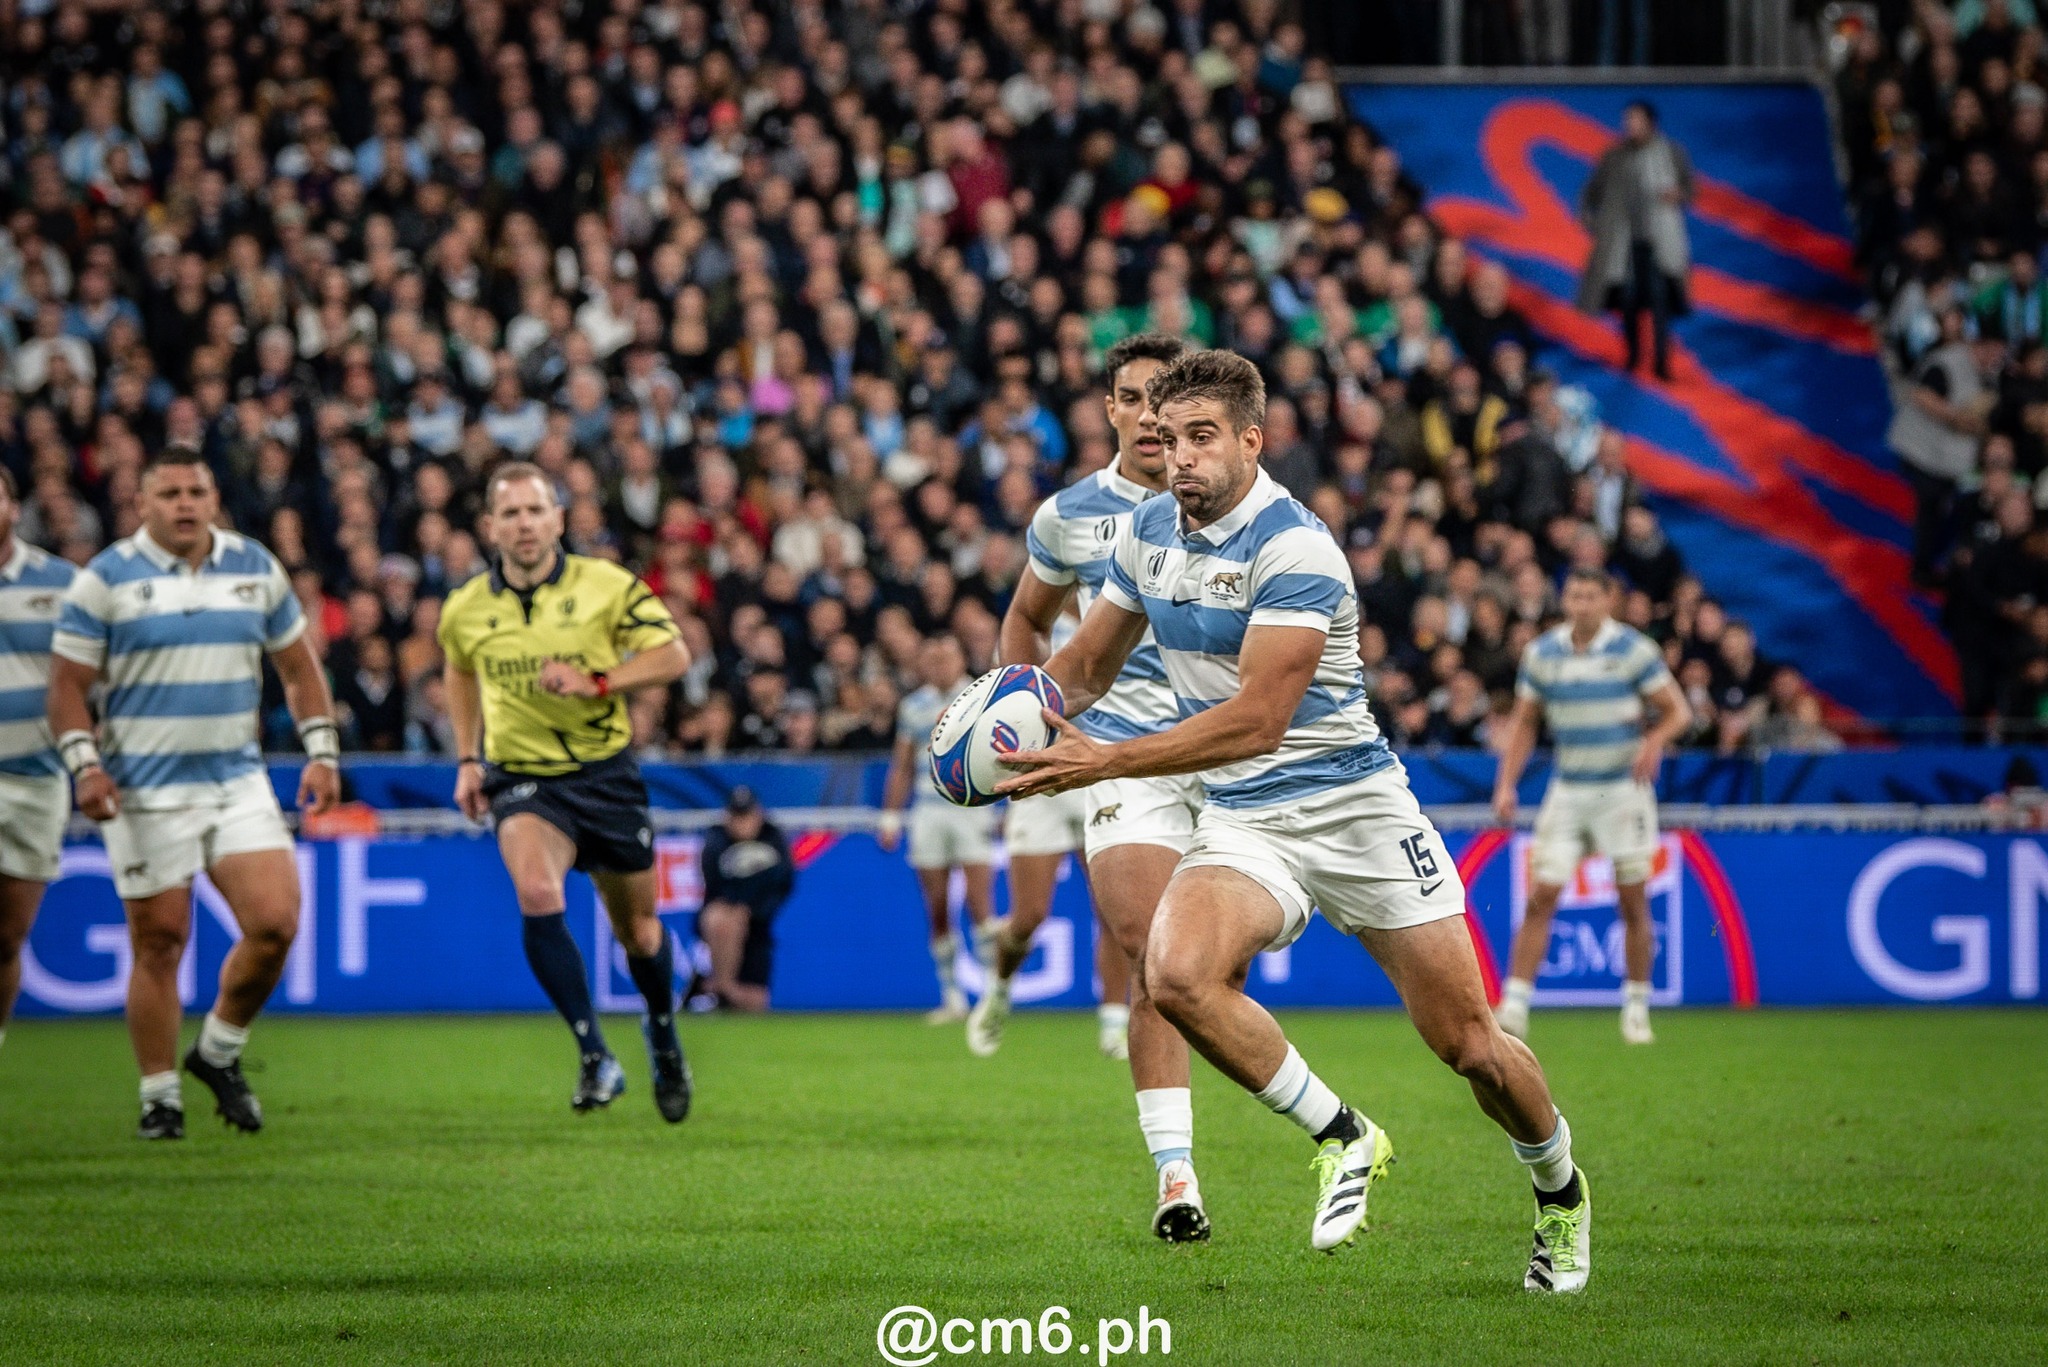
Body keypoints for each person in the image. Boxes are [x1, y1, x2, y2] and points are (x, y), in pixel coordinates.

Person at [1000, 350, 1592, 1292]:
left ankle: (1559, 1193)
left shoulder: (1296, 548)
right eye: (1169, 435)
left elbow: (1256, 719)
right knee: (1175, 973)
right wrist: (1007, 725)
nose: (1179, 455)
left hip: (1356, 812)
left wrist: (1103, 757)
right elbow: (1086, 665)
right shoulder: (1145, 530)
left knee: (1469, 1045)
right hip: (1248, 818)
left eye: (1203, 438)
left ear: (1251, 440)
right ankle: (1345, 1133)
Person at [973, 332, 1217, 1242]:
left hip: (1227, 756)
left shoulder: (1235, 508)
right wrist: (1020, 728)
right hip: (1111, 752)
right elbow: (1027, 620)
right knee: (1150, 949)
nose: (1152, 413)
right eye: (1133, 397)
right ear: (1110, 410)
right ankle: (1176, 1175)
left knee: (1202, 968)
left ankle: (1331, 1122)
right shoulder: (1068, 515)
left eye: (1167, 394)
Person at [46, 449, 342, 1140]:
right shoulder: (106, 579)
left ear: (215, 498)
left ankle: (216, 1052)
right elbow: (66, 687)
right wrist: (85, 765)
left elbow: (299, 669)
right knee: (160, 940)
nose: (185, 503)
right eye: (170, 491)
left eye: (196, 491)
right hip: (143, 787)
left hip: (236, 778)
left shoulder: (255, 566)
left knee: (276, 921)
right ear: (142, 502)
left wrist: (322, 751)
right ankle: (159, 1095)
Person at [440, 462, 694, 1121]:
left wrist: (599, 680)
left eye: (536, 510)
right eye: (511, 513)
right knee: (537, 889)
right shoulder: (466, 607)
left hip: (604, 773)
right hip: (522, 776)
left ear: (558, 518)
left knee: (638, 932)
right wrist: (468, 758)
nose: (524, 524)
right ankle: (593, 1054)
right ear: (490, 526)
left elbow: (673, 655)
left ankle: (662, 1029)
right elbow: (460, 670)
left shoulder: (605, 586)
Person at [1490, 568, 1692, 1046]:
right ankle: (1515, 1005)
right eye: (1574, 595)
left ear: (1608, 600)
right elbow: (1524, 724)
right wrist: (1506, 784)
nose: (1581, 604)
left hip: (1622, 791)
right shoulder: (1543, 653)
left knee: (1633, 900)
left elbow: (1678, 711)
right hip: (1569, 788)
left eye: (1590, 596)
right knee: (1542, 895)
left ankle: (1637, 1006)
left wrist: (1655, 740)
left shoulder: (1633, 650)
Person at [878, 634, 999, 1023]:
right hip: (928, 810)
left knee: (981, 905)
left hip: (972, 808)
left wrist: (1008, 807)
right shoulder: (913, 706)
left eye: (946, 657)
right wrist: (891, 816)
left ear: (961, 658)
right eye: (931, 659)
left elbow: (1006, 749)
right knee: (938, 907)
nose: (939, 666)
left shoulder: (983, 696)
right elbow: (900, 765)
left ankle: (993, 992)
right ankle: (951, 995)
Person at [0, 469, 77, 1053]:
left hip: (36, 779)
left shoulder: (62, 584)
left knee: (7, 939)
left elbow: (91, 679)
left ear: (13, 506)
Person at [1578, 100, 1692, 380]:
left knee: (1659, 301)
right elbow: (1590, 194)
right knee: (1628, 301)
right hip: (1624, 245)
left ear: (1650, 123)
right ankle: (1633, 355)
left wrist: (1679, 195)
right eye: (1627, 120)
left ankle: (1661, 362)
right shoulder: (1614, 157)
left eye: (1635, 120)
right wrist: (1595, 225)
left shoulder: (1671, 154)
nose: (1629, 125)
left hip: (1658, 243)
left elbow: (1688, 188)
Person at [692, 786, 794, 1012]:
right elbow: (714, 886)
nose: (742, 823)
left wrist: (752, 911)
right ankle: (723, 986)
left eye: (746, 816)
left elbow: (783, 884)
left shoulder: (773, 838)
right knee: (719, 919)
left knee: (755, 1002)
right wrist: (736, 908)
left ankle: (722, 990)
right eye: (736, 817)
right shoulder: (717, 839)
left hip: (757, 927)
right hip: (722, 922)